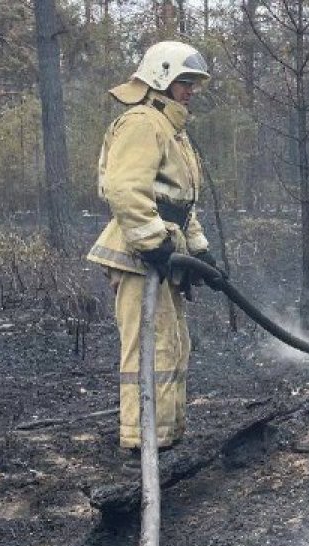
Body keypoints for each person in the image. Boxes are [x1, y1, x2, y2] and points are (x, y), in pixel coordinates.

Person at [85, 41, 222, 454]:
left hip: (163, 251)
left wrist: (198, 251)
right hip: (137, 257)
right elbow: (124, 189)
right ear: (161, 78)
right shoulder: (143, 123)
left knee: (173, 343)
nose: (191, 90)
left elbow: (179, 203)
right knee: (151, 347)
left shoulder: (171, 130)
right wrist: (151, 242)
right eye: (185, 81)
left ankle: (164, 438)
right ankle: (141, 444)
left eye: (193, 83)